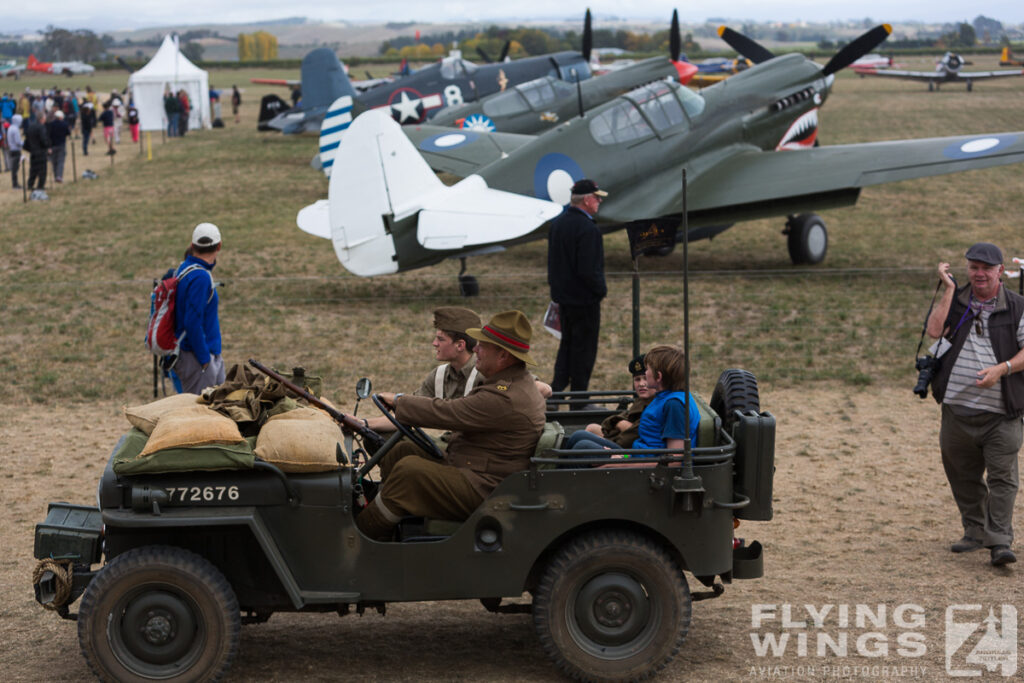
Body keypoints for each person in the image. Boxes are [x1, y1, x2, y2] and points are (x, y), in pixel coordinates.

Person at [356, 310, 546, 541]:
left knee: (410, 473)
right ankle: (392, 519)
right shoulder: (508, 382)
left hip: (486, 486)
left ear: (503, 356)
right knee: (402, 451)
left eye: (483, 346)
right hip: (473, 467)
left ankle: (358, 540)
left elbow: (449, 412)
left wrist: (399, 401)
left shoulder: (504, 396)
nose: (475, 349)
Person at [926, 242, 1023, 567]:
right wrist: (949, 290)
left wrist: (1001, 369)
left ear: (1000, 271)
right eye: (973, 267)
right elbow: (934, 332)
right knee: (962, 474)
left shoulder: (1017, 307)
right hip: (956, 409)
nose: (979, 274)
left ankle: (999, 541)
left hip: (1002, 413)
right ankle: (975, 531)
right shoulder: (958, 300)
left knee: (1002, 478)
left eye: (986, 268)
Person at [568, 345, 700, 457]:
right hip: (633, 456)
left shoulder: (674, 405)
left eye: (647, 370)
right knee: (579, 436)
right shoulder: (662, 397)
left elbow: (674, 460)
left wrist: (618, 461)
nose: (645, 374)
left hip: (643, 467)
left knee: (583, 446)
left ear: (658, 376)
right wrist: (624, 456)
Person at [547, 178, 608, 404]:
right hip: (585, 301)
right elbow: (589, 269)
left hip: (564, 299)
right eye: (597, 197)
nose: (599, 201)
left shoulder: (558, 224)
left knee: (567, 347)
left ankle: (555, 394)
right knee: (584, 351)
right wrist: (600, 291)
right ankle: (579, 399)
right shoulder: (588, 229)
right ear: (587, 200)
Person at [174, 223, 226, 394]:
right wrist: (205, 360)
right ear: (219, 246)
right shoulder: (200, 277)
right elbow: (192, 323)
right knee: (199, 416)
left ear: (193, 245)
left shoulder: (185, 268)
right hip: (198, 359)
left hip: (197, 356)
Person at [578, 355, 654, 447]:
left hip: (627, 454)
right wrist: (619, 423)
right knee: (591, 429)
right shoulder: (640, 401)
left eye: (645, 378)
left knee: (582, 442)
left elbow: (629, 438)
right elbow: (608, 423)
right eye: (637, 379)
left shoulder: (654, 405)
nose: (641, 384)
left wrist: (617, 426)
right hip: (623, 445)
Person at [23, 113, 50, 191]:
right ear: (41, 119)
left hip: (33, 152)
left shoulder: (30, 127)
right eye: (44, 119)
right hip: (41, 152)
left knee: (33, 170)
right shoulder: (41, 127)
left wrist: (30, 149)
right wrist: (47, 146)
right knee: (42, 171)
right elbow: (43, 140)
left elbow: (26, 141)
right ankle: (40, 186)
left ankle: (30, 184)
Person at [46, 110, 70, 183]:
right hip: (61, 145)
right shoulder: (64, 124)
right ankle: (59, 176)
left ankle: (56, 175)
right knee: (60, 161)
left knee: (54, 162)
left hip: (52, 146)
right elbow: (68, 133)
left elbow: (48, 135)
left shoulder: (50, 124)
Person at [6, 113, 22, 189]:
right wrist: (24, 143)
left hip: (11, 149)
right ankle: (15, 184)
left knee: (14, 167)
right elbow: (18, 142)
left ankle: (14, 183)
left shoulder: (10, 127)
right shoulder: (15, 129)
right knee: (15, 168)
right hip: (16, 150)